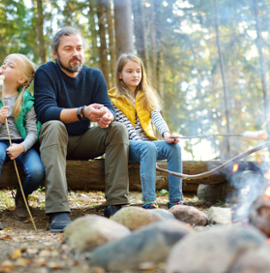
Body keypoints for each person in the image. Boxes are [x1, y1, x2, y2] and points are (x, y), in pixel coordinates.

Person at [34, 27, 129, 231]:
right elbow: (45, 112)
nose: (75, 53)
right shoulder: (45, 72)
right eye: (68, 48)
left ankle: (116, 205)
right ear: (55, 53)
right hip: (54, 143)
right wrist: (82, 112)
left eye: (79, 48)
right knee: (53, 125)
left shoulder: (94, 76)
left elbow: (108, 107)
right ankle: (58, 210)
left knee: (118, 128)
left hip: (84, 141)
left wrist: (107, 116)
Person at [0, 53, 45, 231]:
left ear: (22, 78)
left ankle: (21, 197)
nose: (4, 66)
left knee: (37, 171)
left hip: (22, 143)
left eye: (11, 66)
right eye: (4, 64)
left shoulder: (27, 101)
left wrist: (21, 147)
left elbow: (32, 132)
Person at [108, 54, 183, 209]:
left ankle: (176, 200)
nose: (135, 75)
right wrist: (149, 153)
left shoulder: (147, 95)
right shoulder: (113, 98)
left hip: (148, 146)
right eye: (129, 71)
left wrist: (167, 135)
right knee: (148, 147)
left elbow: (157, 118)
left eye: (138, 71)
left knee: (174, 147)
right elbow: (127, 127)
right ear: (120, 75)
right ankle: (149, 201)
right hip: (127, 146)